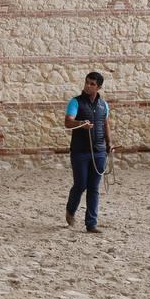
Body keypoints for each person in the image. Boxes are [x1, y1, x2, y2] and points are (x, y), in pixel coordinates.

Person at [65, 72, 114, 233]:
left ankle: (91, 224)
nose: (88, 86)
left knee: (94, 187)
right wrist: (80, 123)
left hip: (99, 152)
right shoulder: (75, 102)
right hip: (80, 152)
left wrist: (109, 143)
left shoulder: (103, 105)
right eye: (87, 82)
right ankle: (70, 210)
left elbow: (105, 124)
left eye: (92, 84)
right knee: (80, 185)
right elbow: (68, 122)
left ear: (99, 87)